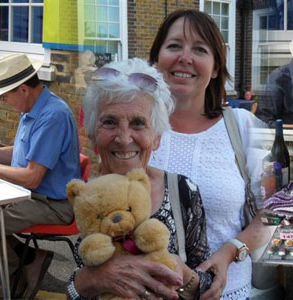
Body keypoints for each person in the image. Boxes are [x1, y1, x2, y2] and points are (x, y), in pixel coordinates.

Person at [147, 10, 270, 300]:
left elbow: (273, 212)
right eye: (174, 45)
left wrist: (231, 251)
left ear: (215, 67)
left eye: (200, 49)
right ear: (156, 59)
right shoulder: (134, 129)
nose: (185, 57)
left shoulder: (242, 126)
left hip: (226, 293)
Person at [67, 58, 214, 300]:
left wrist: (182, 273)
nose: (124, 139)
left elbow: (208, 286)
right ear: (93, 135)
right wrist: (92, 279)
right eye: (110, 122)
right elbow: (72, 291)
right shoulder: (87, 197)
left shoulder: (183, 190)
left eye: (138, 123)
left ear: (156, 137)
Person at [0, 53, 81, 299]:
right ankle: (30, 258)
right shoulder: (33, 106)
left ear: (23, 89)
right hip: (28, 194)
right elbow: (21, 153)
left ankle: (16, 272)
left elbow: (32, 177)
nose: (4, 101)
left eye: (5, 96)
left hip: (52, 204)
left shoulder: (52, 116)